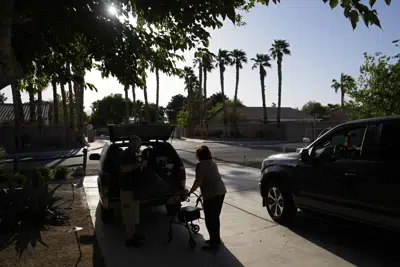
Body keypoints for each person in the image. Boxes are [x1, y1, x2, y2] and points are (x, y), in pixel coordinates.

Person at [188, 145, 227, 250]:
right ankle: (215, 239)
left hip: (212, 194)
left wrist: (190, 192)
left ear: (199, 155)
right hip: (221, 191)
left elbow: (198, 181)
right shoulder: (212, 162)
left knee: (210, 219)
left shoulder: (200, 165)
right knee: (215, 218)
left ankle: (214, 243)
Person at [120, 135, 147, 247]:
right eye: (138, 144)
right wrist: (139, 165)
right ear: (133, 144)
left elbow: (136, 169)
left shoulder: (134, 154)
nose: (140, 146)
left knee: (135, 214)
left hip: (134, 189)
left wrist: (142, 165)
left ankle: (134, 234)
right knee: (129, 216)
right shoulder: (125, 155)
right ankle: (129, 239)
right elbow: (123, 168)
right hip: (127, 190)